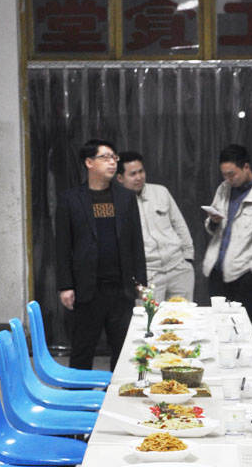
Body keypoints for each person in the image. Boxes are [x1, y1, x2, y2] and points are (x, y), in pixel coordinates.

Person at [56, 138, 146, 370]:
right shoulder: (70, 199)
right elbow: (62, 246)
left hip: (120, 288)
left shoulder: (126, 197)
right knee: (82, 349)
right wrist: (65, 285)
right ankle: (78, 391)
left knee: (123, 350)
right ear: (89, 162)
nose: (112, 162)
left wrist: (141, 281)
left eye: (114, 157)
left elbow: (136, 241)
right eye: (105, 157)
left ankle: (115, 391)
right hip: (87, 288)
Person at [202, 143, 252, 345]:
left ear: (246, 167)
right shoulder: (224, 188)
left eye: (232, 174)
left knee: (248, 329)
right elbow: (211, 228)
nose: (228, 179)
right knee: (218, 328)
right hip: (217, 269)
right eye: (224, 175)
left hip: (244, 272)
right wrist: (213, 221)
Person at [117, 151, 195, 301]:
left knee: (183, 314)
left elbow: (179, 225)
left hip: (178, 268)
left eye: (141, 171)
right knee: (149, 315)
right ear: (120, 178)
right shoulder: (118, 203)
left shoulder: (161, 191)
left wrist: (188, 258)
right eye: (133, 174)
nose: (139, 177)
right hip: (148, 274)